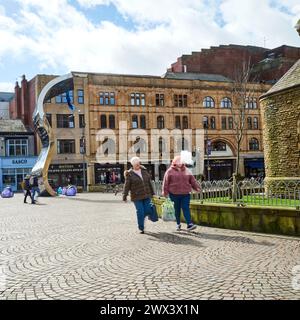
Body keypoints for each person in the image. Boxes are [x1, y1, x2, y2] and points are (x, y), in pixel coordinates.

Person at [162, 155, 201, 231]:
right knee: (177, 210)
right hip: (174, 194)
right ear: (174, 163)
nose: (180, 163)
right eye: (178, 162)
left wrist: (197, 188)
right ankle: (178, 224)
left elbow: (192, 181)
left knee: (186, 208)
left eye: (181, 162)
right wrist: (164, 192)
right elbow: (165, 182)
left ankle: (189, 224)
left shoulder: (187, 170)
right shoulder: (169, 171)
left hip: (185, 194)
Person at [123, 157, 155, 234]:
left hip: (146, 195)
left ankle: (148, 217)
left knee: (147, 210)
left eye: (138, 163)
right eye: (136, 164)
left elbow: (149, 182)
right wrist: (125, 195)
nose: (138, 165)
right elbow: (126, 186)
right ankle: (141, 227)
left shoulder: (144, 171)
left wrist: (153, 193)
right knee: (140, 212)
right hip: (136, 196)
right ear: (133, 165)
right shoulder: (129, 174)